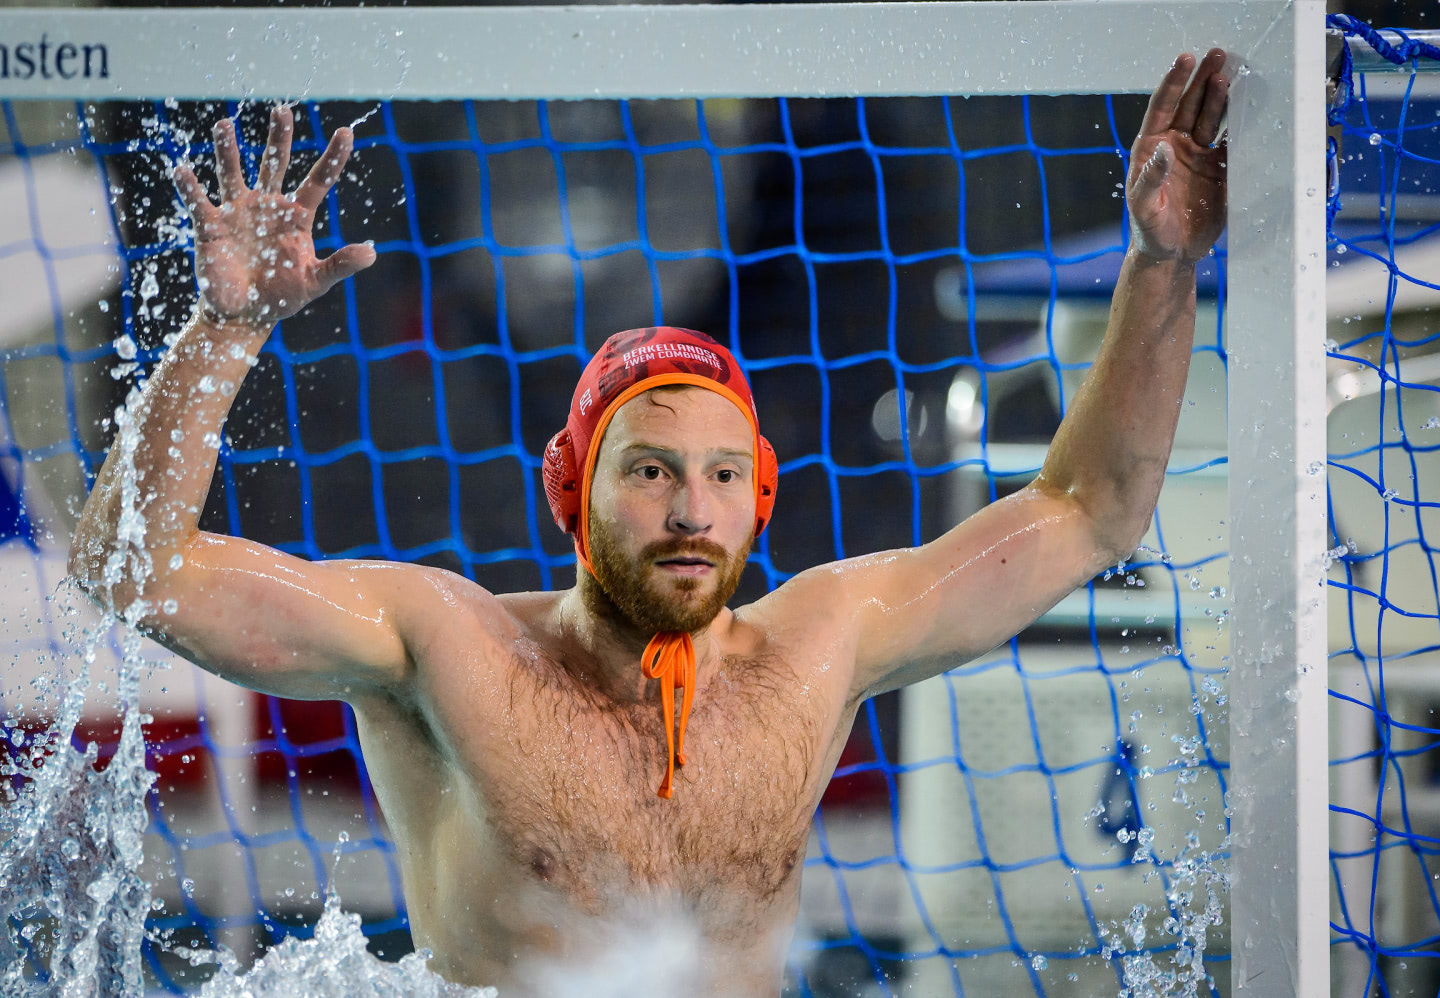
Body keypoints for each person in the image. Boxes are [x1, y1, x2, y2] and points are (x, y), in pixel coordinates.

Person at [69, 49, 1230, 996]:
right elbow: (138, 571)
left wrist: (1161, 261)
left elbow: (1090, 509)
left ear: (759, 497)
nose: (690, 509)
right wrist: (223, 334)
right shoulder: (444, 645)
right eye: (652, 470)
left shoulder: (817, 648)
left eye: (725, 476)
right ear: (569, 491)